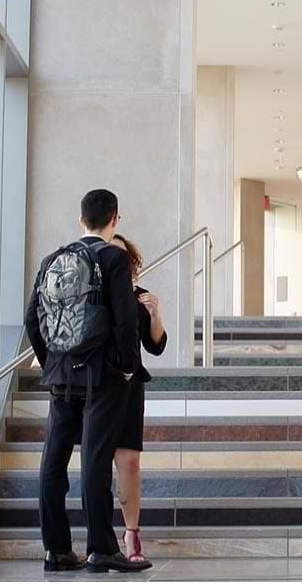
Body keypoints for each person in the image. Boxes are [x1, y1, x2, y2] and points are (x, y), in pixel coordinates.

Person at [23, 189, 152, 573]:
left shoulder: (53, 260)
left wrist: (52, 361)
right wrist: (127, 367)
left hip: (61, 375)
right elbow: (125, 319)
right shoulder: (113, 257)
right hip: (102, 376)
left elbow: (33, 319)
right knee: (95, 459)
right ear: (115, 218)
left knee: (53, 462)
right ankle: (100, 548)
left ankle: (56, 549)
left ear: (82, 220)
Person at [107, 234, 167, 565]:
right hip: (97, 386)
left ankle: (131, 533)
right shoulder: (91, 294)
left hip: (130, 385)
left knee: (129, 462)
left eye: (120, 256)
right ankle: (101, 538)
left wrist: (155, 315)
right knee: (99, 461)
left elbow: (156, 345)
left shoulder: (138, 297)